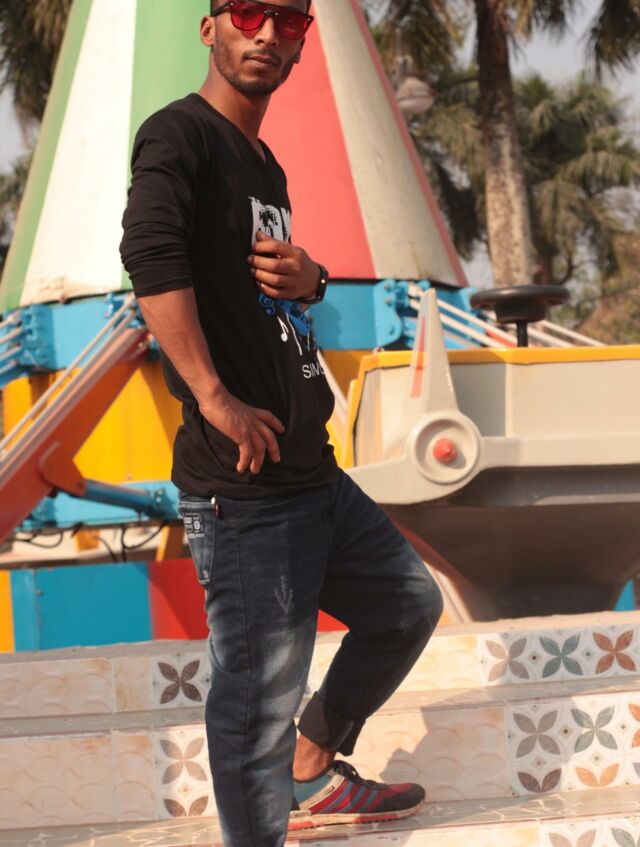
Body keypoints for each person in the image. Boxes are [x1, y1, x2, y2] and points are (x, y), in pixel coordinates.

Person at [120, 1, 443, 844]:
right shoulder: (179, 136)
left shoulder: (264, 164)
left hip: (314, 474)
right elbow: (149, 256)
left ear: (303, 43)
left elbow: (274, 300)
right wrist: (212, 395)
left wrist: (315, 279)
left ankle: (311, 766)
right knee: (256, 697)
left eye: (289, 23)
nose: (267, 34)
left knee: (407, 605)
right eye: (249, 13)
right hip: (246, 489)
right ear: (211, 28)